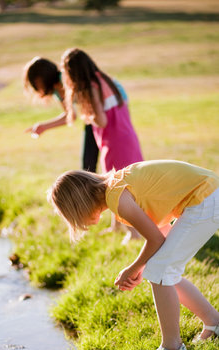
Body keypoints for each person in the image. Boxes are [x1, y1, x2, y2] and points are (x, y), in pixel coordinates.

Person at [48, 160, 219, 350]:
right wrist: (142, 267)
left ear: (80, 203)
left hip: (205, 198)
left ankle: (172, 348)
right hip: (207, 194)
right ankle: (213, 323)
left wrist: (132, 269)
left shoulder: (117, 198)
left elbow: (155, 239)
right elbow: (160, 236)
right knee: (162, 269)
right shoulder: (117, 186)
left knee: (161, 271)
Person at [60, 48, 144, 237]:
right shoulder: (104, 79)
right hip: (127, 136)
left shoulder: (91, 87)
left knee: (118, 187)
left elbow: (102, 121)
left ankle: (134, 233)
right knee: (119, 184)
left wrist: (87, 114)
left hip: (113, 143)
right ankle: (117, 226)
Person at [23, 56, 99, 172]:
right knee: (88, 166)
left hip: (101, 114)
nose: (38, 89)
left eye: (36, 84)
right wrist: (43, 127)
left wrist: (44, 127)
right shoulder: (57, 88)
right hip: (93, 118)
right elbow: (69, 116)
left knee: (88, 167)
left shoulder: (62, 81)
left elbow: (71, 116)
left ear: (41, 80)